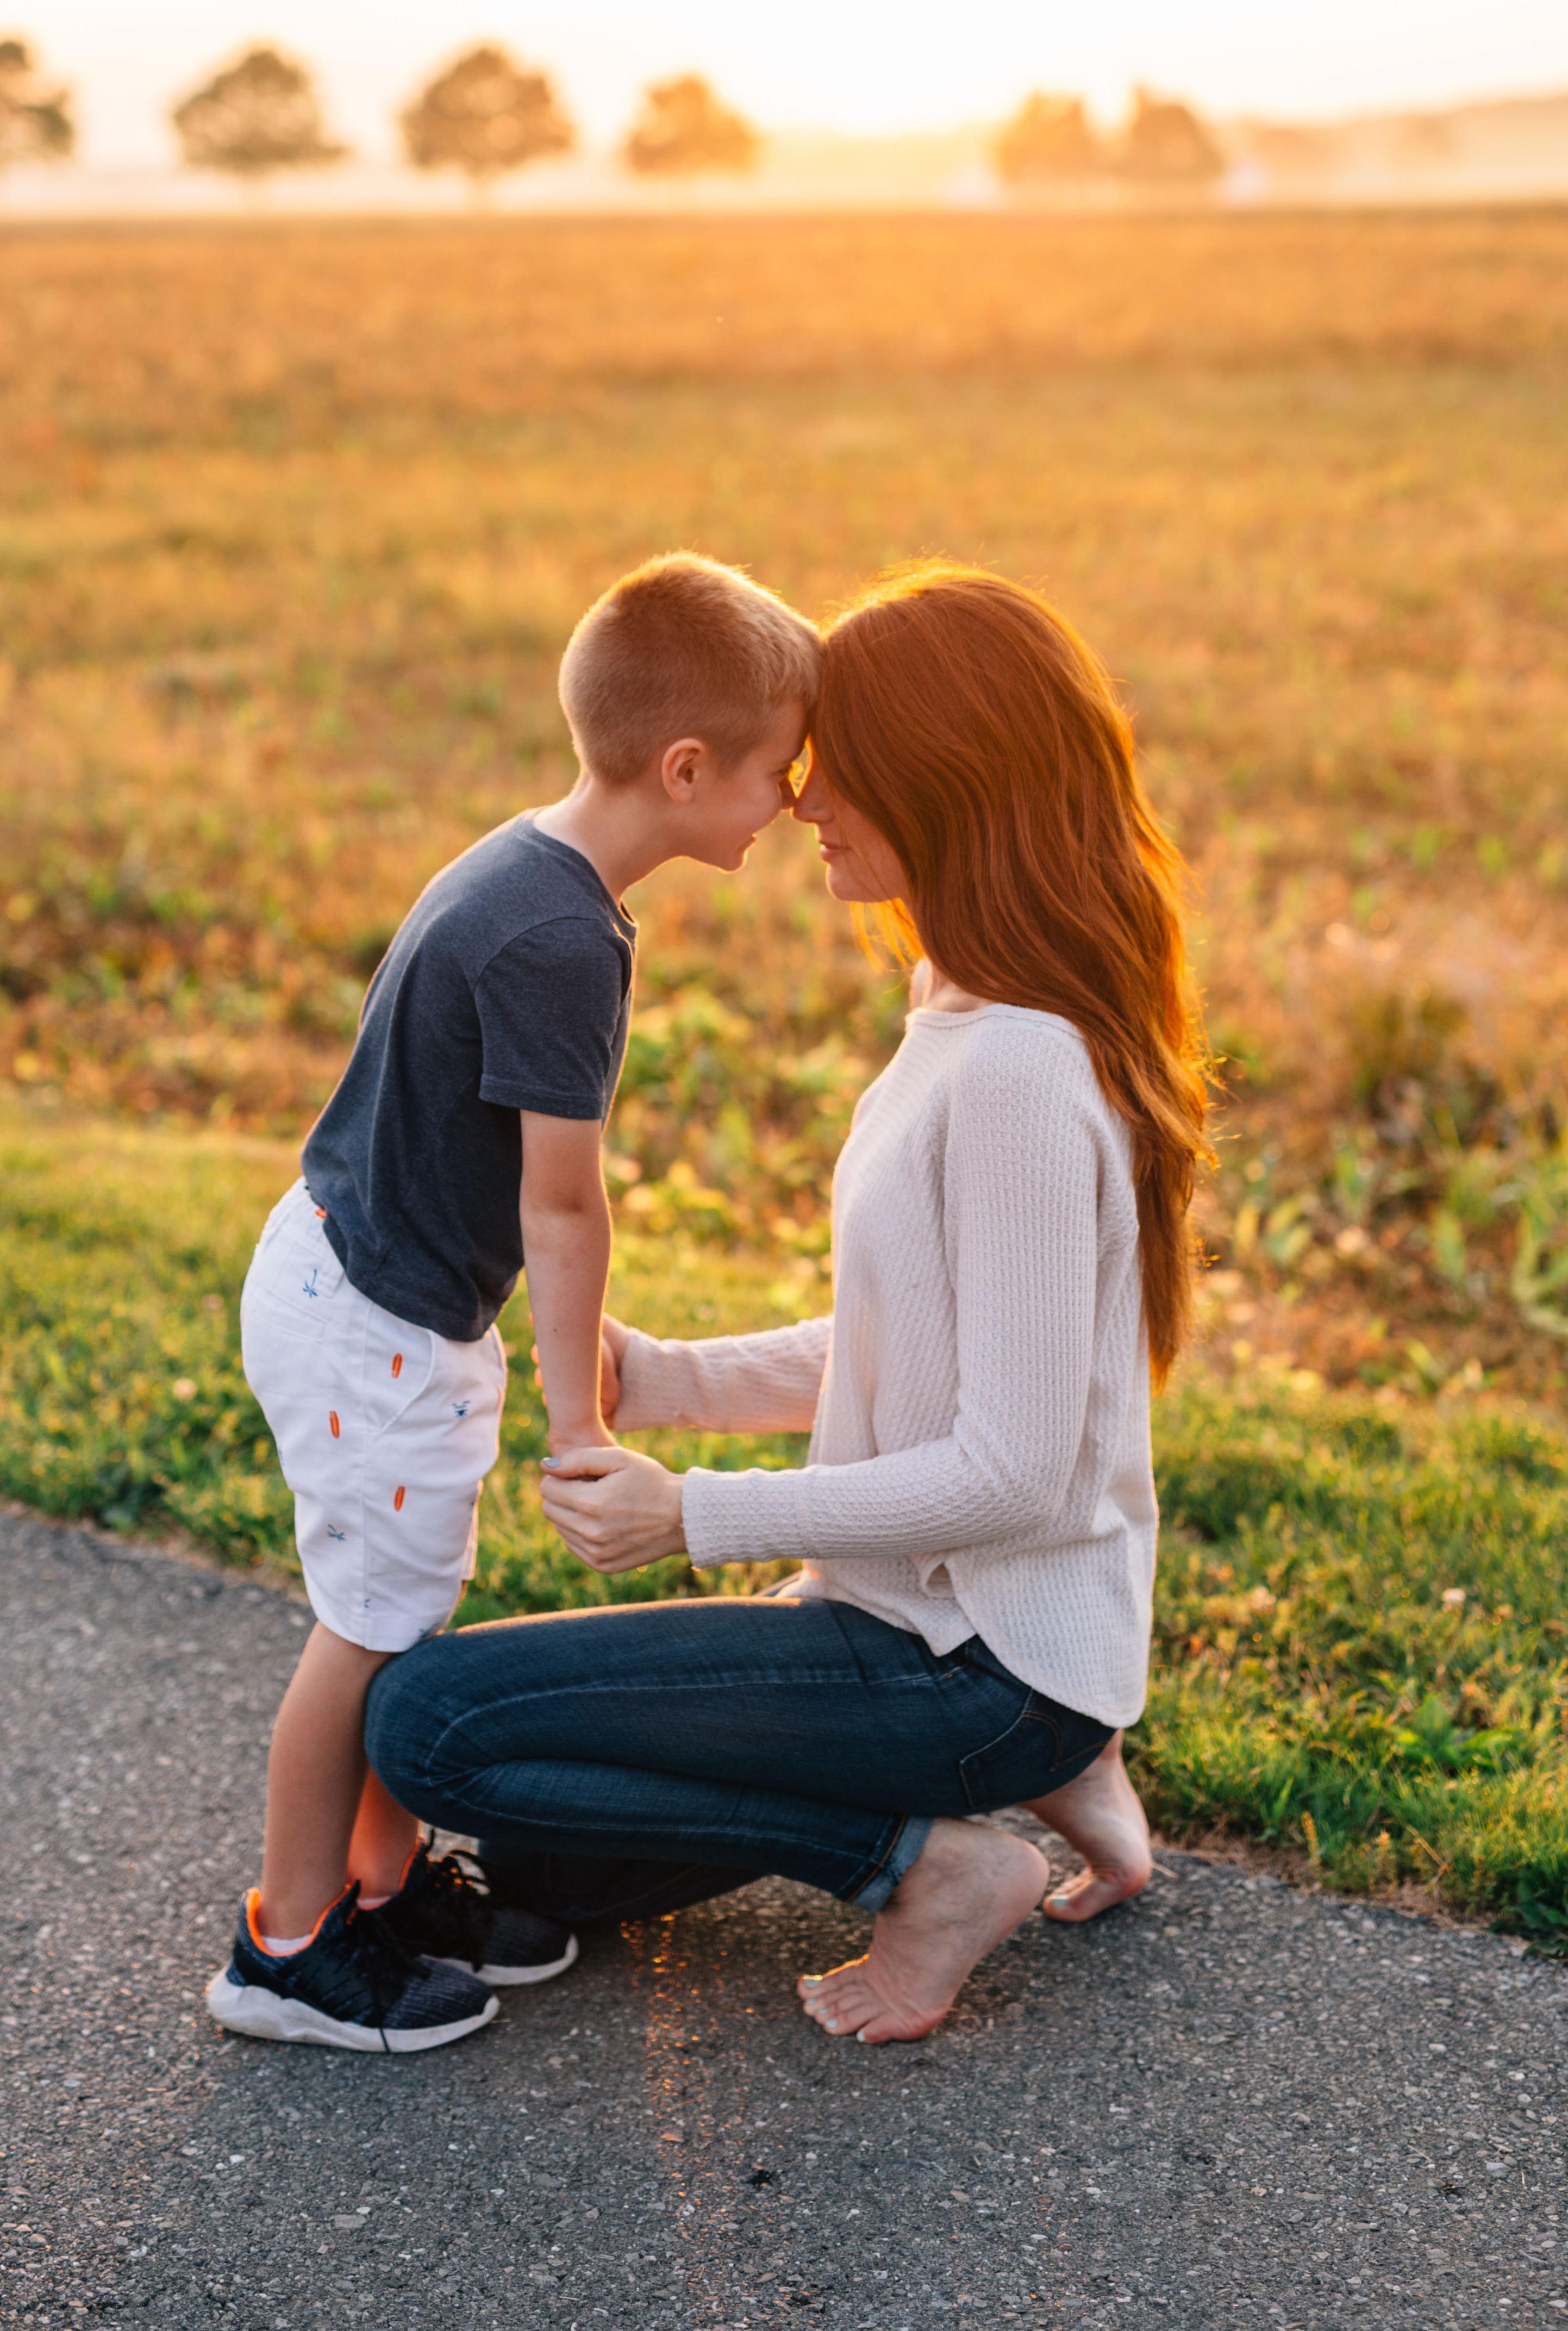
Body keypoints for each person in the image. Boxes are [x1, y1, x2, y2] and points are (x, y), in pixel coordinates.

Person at [364, 563, 1208, 2046]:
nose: (803, 798)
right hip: (966, 1638)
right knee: (551, 1870)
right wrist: (667, 1376)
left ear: (946, 784)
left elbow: (1008, 1475)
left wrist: (692, 1514)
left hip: (962, 1661)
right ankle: (1066, 1766)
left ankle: (933, 1860)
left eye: (836, 765)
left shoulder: (1015, 1072)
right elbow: (914, 1352)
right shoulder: (967, 1007)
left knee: (433, 1730)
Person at [205, 554, 818, 2050]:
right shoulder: (563, 939)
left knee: (402, 1616)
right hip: (378, 1322)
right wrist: (576, 1419)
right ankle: (288, 1948)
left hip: (360, 1279)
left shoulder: (530, 865)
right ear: (685, 770)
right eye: (775, 774)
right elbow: (562, 1204)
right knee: (367, 1630)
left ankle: (382, 1883)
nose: (792, 803)